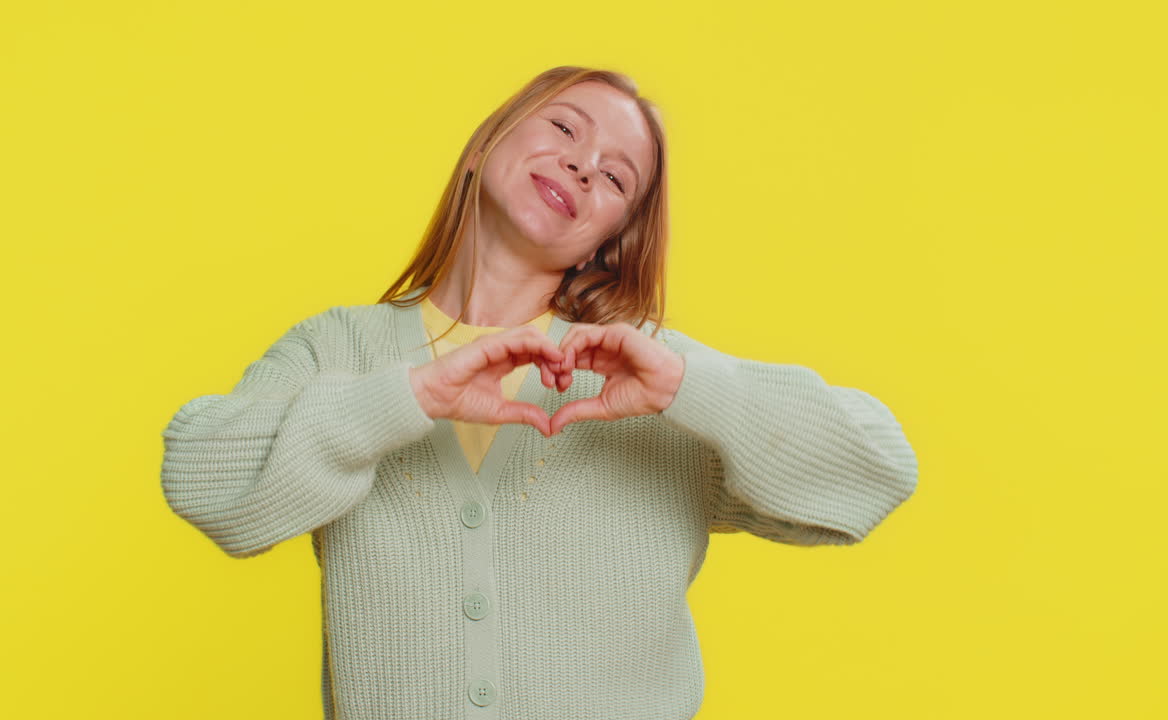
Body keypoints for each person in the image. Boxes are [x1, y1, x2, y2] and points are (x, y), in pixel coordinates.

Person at [160, 65, 919, 720]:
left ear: (607, 240)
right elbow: (204, 483)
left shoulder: (644, 375)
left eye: (616, 177)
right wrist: (407, 399)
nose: (585, 164)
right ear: (484, 144)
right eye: (564, 127)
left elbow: (878, 471)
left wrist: (693, 387)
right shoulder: (340, 350)